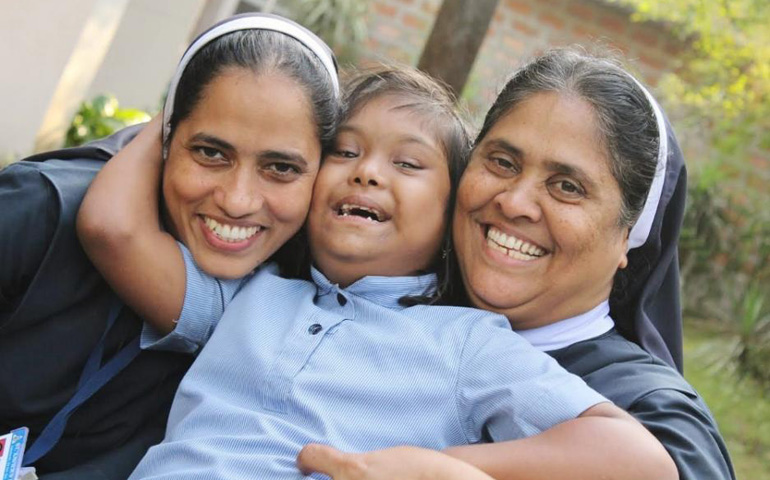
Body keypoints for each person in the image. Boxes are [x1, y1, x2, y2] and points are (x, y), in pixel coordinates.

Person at [78, 62, 676, 479]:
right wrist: (186, 112)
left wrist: (438, 469)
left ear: (448, 210)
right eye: (344, 151)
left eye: (409, 163)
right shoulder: (249, 294)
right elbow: (111, 229)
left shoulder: (465, 343)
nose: (366, 173)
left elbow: (640, 462)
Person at [299, 48, 735, 480]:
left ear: (629, 235)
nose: (514, 202)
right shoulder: (365, 299)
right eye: (503, 163)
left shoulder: (657, 425)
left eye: (567, 186)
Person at [0, 13, 339, 480]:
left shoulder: (290, 318)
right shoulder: (40, 210)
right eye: (210, 152)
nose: (237, 201)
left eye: (280, 167)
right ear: (164, 138)